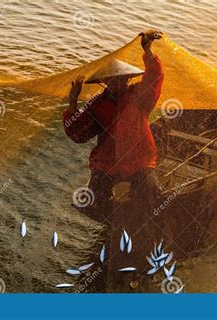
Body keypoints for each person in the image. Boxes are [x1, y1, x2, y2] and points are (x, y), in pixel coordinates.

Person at [63, 30, 164, 216]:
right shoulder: (97, 105)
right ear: (106, 82)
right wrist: (72, 101)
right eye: (114, 80)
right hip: (108, 161)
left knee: (154, 197)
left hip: (138, 158)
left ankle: (140, 216)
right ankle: (116, 218)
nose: (119, 83)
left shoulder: (138, 95)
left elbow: (154, 79)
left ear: (127, 80)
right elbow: (78, 133)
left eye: (123, 79)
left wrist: (147, 50)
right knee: (94, 203)